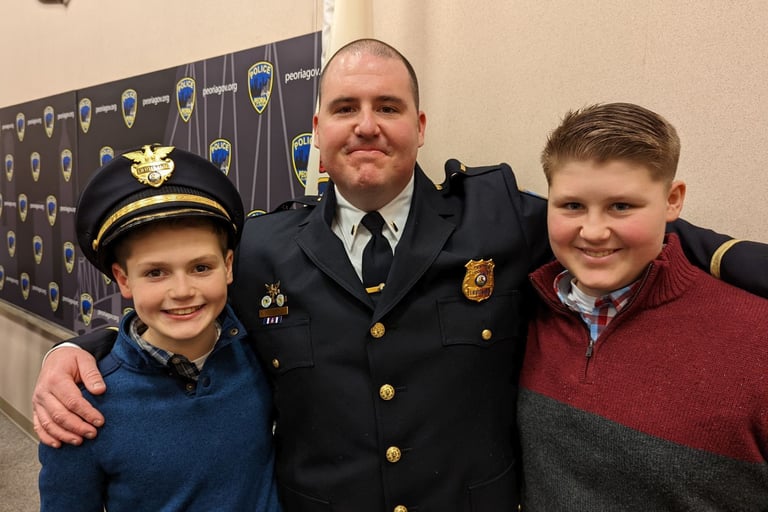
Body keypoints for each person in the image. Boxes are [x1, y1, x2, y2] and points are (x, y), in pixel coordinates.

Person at [32, 40, 768, 511]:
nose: (367, 124)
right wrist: (78, 349)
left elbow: (612, 225)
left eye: (388, 106)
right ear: (317, 133)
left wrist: (735, 255)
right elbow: (182, 312)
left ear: (419, 125)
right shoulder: (259, 247)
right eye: (345, 108)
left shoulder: (497, 218)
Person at [517, 103, 768, 510]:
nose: (593, 232)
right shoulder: (526, 310)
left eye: (621, 206)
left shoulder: (757, 339)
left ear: (672, 200)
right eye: (572, 205)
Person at [37, 145, 281, 511]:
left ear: (228, 266)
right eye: (155, 272)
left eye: (201, 267)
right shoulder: (79, 406)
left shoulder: (264, 352)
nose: (182, 291)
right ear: (123, 279)